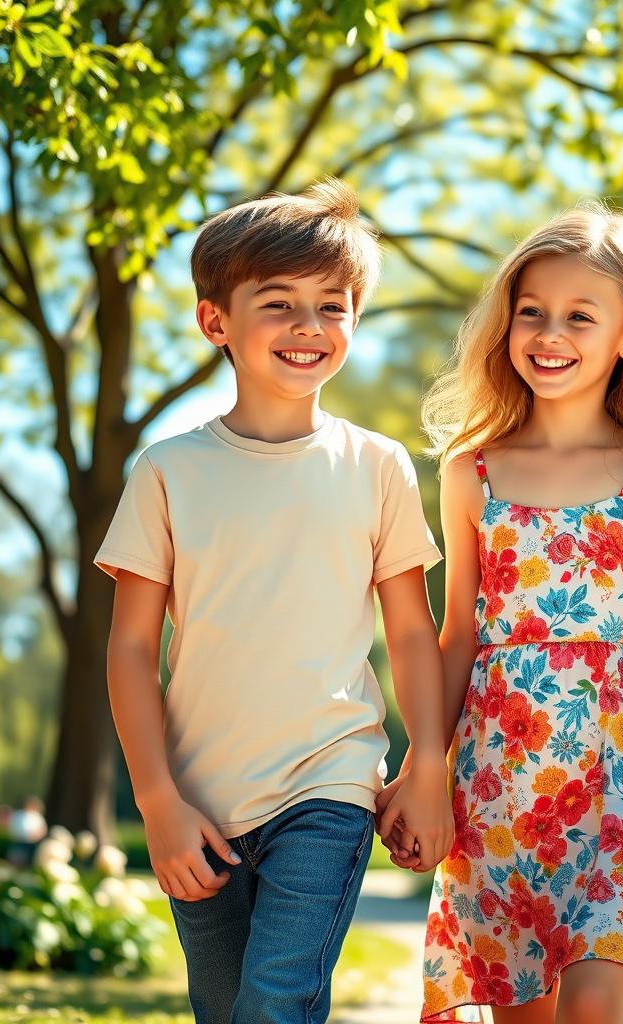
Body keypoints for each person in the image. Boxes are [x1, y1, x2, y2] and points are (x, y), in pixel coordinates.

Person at [378, 204, 623, 1023]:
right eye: (533, 312)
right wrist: (426, 766)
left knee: (594, 1010)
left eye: (579, 317)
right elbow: (458, 636)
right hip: (500, 778)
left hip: (622, 774)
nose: (549, 334)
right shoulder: (470, 471)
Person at [95, 178, 454, 1024]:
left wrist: (426, 762)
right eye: (279, 302)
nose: (309, 327)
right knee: (224, 1012)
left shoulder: (377, 466)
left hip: (329, 783)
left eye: (333, 305)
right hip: (199, 803)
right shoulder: (166, 472)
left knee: (274, 1006)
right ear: (214, 321)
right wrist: (158, 803)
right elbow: (131, 652)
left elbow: (409, 632)